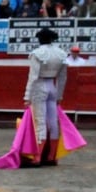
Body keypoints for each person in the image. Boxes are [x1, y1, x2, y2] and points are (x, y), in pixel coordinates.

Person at [23, 27, 68, 166]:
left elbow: (33, 76)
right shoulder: (61, 53)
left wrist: (27, 96)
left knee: (40, 122)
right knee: (53, 122)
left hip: (39, 87)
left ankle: (37, 157)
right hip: (52, 87)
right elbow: (63, 77)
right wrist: (59, 95)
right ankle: (51, 156)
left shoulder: (37, 53)